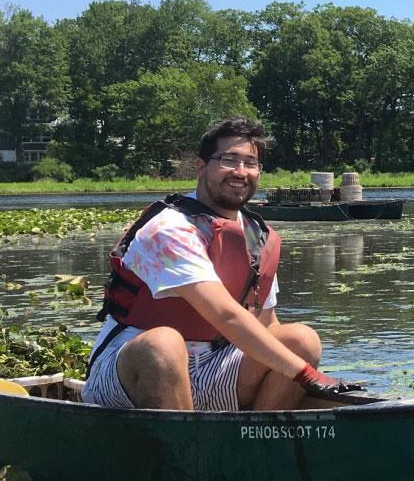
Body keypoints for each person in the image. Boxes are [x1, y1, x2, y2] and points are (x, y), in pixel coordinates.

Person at [82, 116, 358, 411]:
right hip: (132, 373)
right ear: (202, 168)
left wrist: (297, 368)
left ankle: (251, 448)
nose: (240, 172)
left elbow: (266, 325)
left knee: (301, 340)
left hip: (215, 367)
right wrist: (307, 375)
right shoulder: (170, 228)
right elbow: (226, 315)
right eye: (229, 160)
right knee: (163, 345)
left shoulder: (256, 236)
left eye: (250, 163)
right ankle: (188, 455)